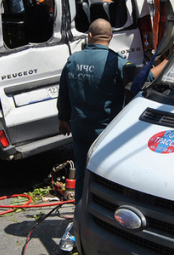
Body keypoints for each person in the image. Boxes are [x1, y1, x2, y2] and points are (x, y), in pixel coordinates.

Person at [57, 19, 135, 203]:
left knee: (82, 174)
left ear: (89, 36)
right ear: (111, 37)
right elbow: (144, 79)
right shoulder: (117, 62)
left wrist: (63, 119)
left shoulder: (73, 60)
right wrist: (167, 62)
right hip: (105, 132)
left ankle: (79, 212)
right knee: (108, 175)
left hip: (80, 128)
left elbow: (63, 92)